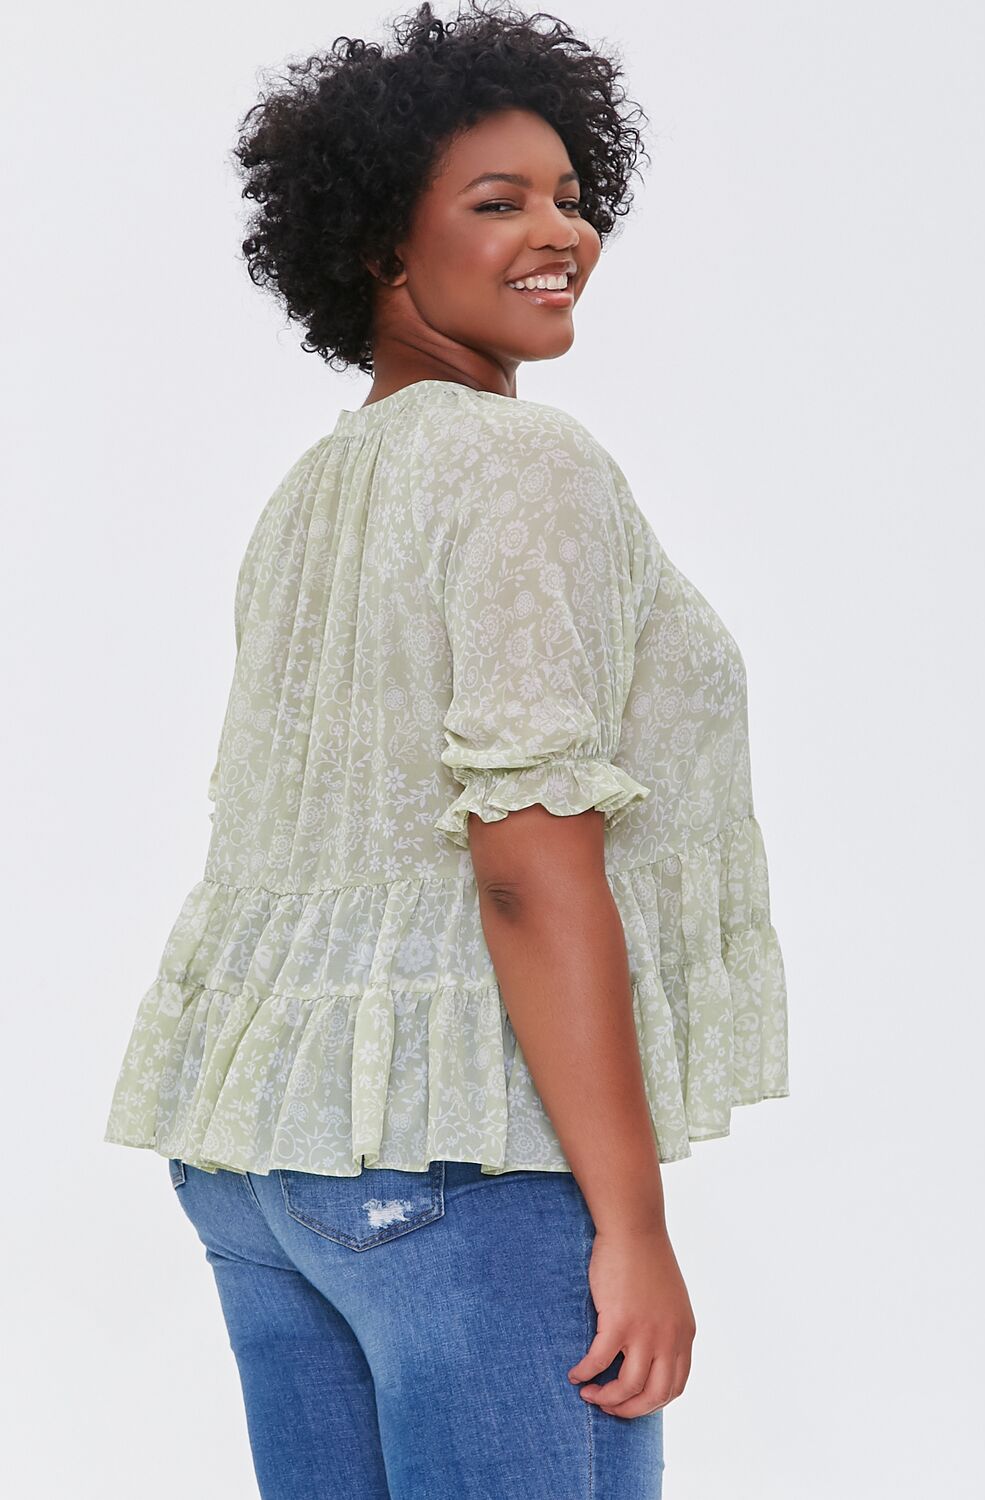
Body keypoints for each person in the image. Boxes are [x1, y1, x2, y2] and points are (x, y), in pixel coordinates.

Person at [102, 3, 790, 1495]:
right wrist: (633, 1224)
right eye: (498, 202)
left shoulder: (311, 491)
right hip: (459, 1177)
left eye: (569, 195)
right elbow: (526, 863)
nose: (561, 233)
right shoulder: (526, 462)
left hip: (259, 1165)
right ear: (378, 248)